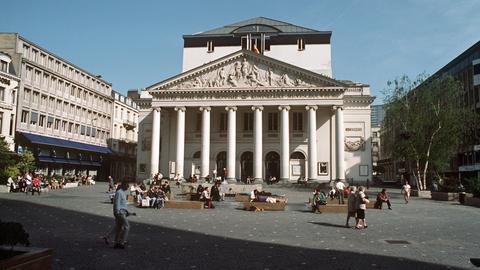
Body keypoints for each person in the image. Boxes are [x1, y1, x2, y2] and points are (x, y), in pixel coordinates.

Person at [112, 181, 131, 249]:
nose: (128, 187)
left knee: (119, 228)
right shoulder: (119, 192)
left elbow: (123, 204)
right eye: (127, 186)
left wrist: (127, 212)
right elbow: (117, 202)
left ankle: (116, 242)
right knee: (127, 226)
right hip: (120, 212)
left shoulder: (122, 192)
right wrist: (117, 212)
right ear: (123, 185)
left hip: (122, 212)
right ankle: (122, 242)